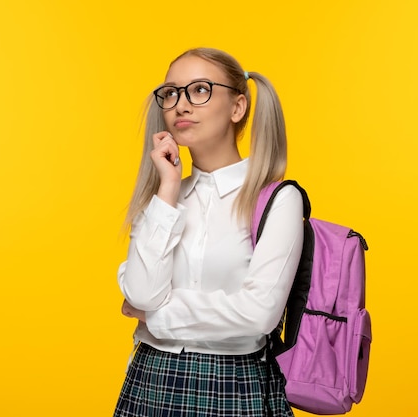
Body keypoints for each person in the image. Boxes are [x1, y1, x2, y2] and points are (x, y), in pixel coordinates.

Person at [115, 47, 304, 416]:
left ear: (237, 108)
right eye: (171, 93)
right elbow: (140, 291)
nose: (181, 106)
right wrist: (168, 188)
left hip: (234, 383)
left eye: (199, 90)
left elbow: (258, 315)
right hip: (150, 378)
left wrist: (156, 316)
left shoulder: (277, 200)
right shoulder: (163, 199)